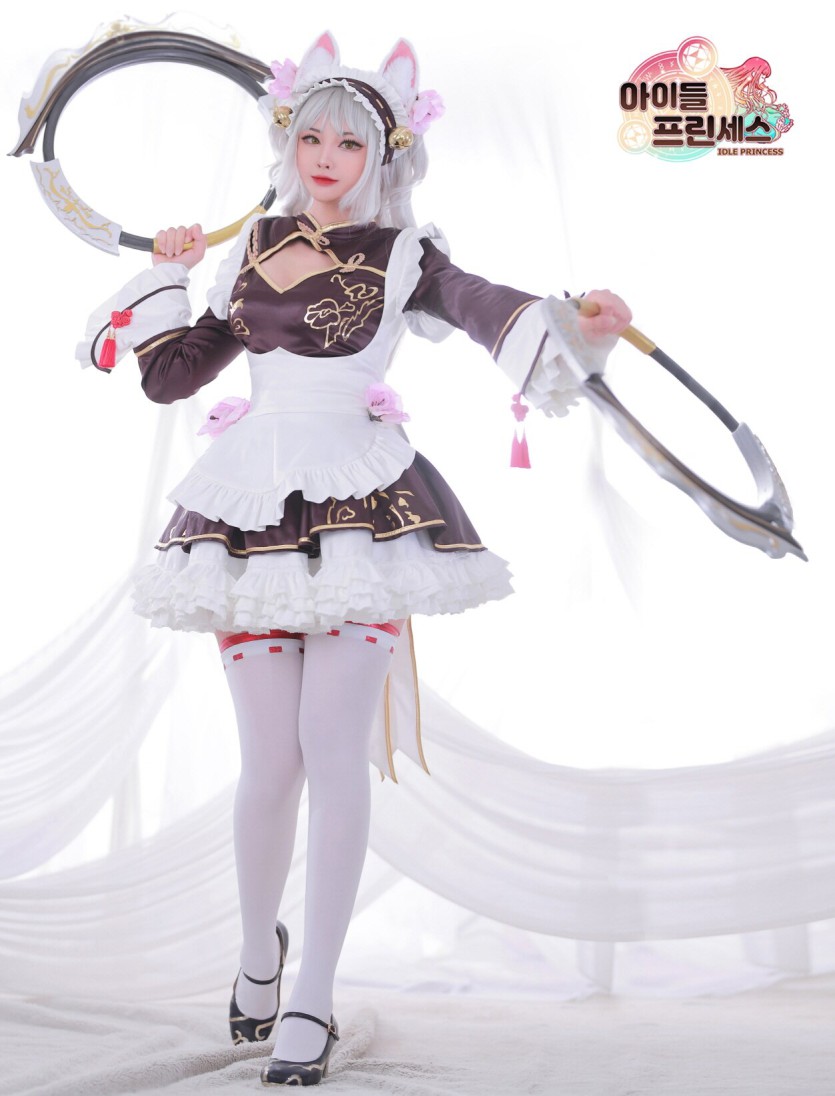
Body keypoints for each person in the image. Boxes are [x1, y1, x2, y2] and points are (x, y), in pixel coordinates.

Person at [77, 31, 631, 1087]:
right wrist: (167, 275)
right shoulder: (252, 247)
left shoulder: (406, 253)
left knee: (332, 755)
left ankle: (313, 997)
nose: (327, 158)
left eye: (349, 143)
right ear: (288, 143)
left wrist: (576, 323)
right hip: (247, 512)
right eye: (311, 138)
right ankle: (258, 958)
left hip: (364, 512)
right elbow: (172, 377)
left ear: (385, 155)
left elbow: (484, 308)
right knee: (268, 764)